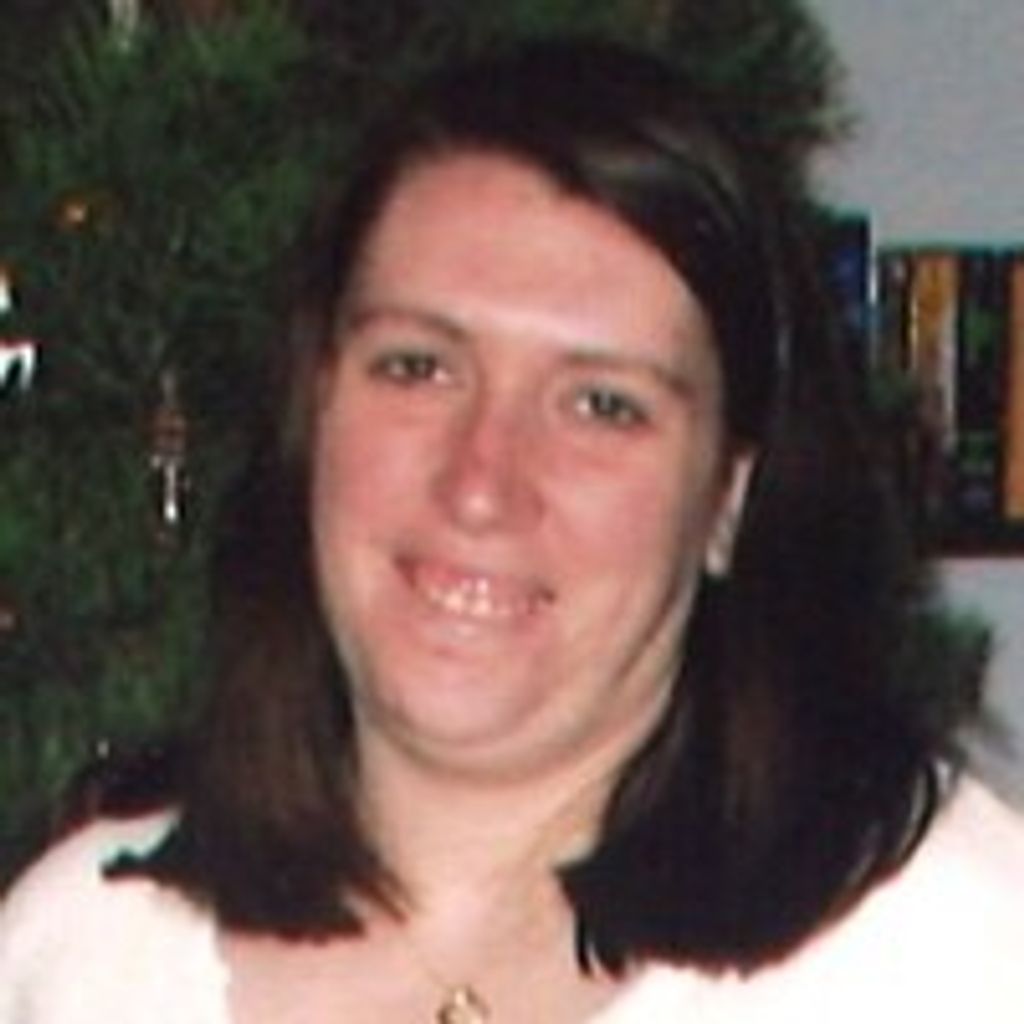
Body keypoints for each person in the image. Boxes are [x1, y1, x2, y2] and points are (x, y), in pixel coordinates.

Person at [2, 26, 1024, 1024]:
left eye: (602, 405)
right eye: (418, 366)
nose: (481, 483)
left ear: (728, 498)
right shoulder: (80, 954)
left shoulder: (948, 952)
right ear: (313, 412)